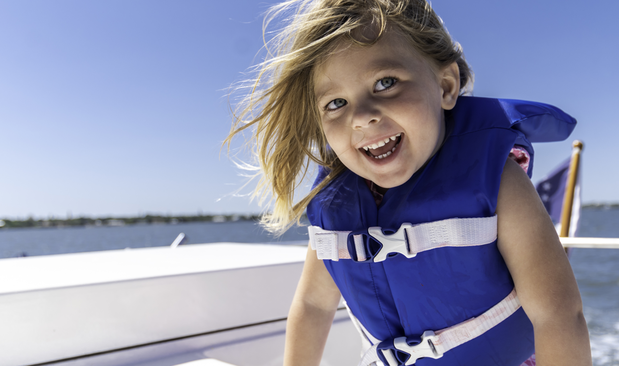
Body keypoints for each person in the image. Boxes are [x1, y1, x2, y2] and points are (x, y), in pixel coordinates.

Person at [226, 0, 592, 364]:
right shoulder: (336, 202)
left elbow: (558, 314)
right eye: (336, 103)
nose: (362, 117)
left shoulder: (499, 179)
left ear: (446, 86)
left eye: (385, 83)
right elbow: (313, 306)